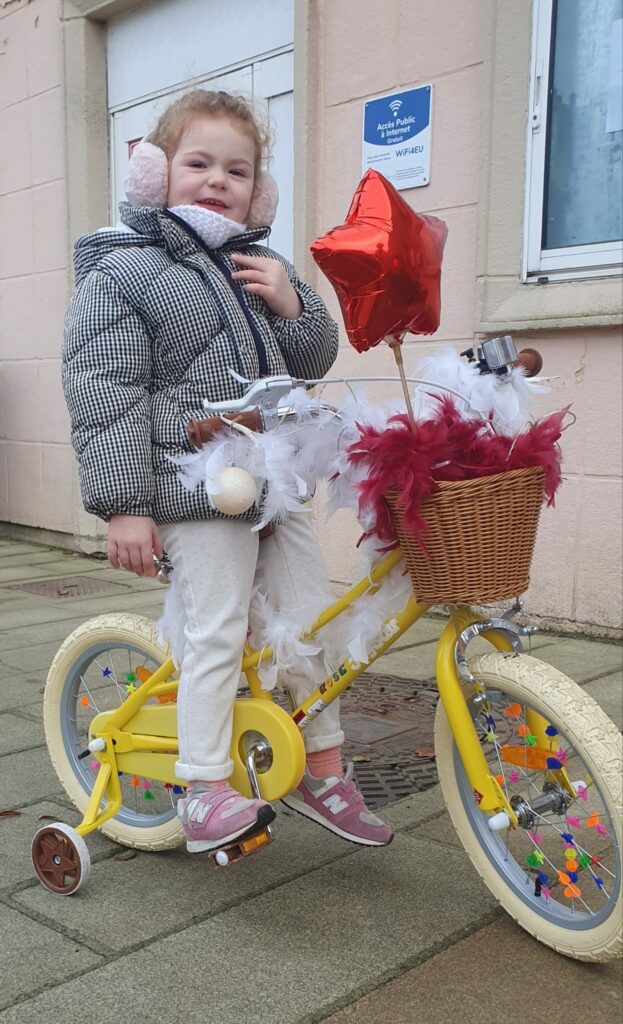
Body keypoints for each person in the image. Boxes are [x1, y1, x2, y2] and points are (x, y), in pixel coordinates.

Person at [62, 89, 393, 854]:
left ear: (259, 190)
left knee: (313, 620)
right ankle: (203, 786)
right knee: (215, 629)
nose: (217, 180)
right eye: (198, 163)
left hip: (270, 480)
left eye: (236, 170)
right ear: (155, 173)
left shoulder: (260, 265)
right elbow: (103, 390)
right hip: (189, 483)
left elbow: (308, 362)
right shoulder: (123, 274)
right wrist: (122, 505)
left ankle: (322, 767)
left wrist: (293, 306)